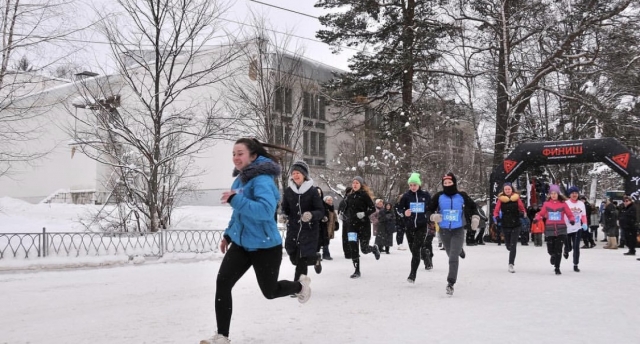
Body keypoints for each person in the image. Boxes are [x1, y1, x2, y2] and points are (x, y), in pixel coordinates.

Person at [202, 138, 310, 344]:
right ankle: (222, 336)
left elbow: (265, 211)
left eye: (240, 153)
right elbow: (239, 214)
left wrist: (236, 200)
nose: (235, 157)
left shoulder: (262, 180)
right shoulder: (240, 180)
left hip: (266, 246)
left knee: (270, 292)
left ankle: (299, 287)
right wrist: (228, 234)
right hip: (242, 245)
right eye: (233, 153)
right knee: (223, 282)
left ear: (253, 155)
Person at [427, 172, 481, 295]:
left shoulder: (461, 196)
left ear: (454, 183)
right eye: (445, 183)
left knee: (452, 257)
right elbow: (428, 209)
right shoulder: (439, 196)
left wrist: (475, 218)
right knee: (450, 252)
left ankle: (450, 283)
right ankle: (459, 250)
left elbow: (473, 207)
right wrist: (432, 216)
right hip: (444, 231)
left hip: (458, 230)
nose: (447, 185)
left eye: (449, 183)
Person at [282, 160, 325, 281]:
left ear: (304, 175)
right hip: (293, 230)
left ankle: (299, 286)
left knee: (302, 258)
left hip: (309, 230)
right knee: (293, 256)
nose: (295, 175)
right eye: (293, 173)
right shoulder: (288, 191)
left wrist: (311, 215)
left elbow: (321, 211)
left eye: (298, 173)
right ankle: (315, 258)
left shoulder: (312, 191)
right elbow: (285, 208)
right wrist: (284, 215)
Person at [342, 176, 381, 278]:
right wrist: (343, 214)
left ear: (361, 185)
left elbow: (373, 209)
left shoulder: (364, 195)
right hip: (351, 226)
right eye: (353, 183)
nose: (354, 185)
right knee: (353, 248)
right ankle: (357, 270)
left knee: (364, 249)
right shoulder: (349, 196)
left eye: (357, 183)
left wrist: (364, 213)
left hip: (363, 225)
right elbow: (345, 208)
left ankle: (373, 249)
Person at [398, 173, 433, 283]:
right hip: (409, 227)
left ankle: (412, 275)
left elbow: (431, 207)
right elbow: (398, 209)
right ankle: (425, 254)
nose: (413, 187)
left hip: (422, 226)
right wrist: (404, 212)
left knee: (416, 249)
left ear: (419, 185)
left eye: (415, 185)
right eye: (411, 185)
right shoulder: (406, 196)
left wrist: (428, 215)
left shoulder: (425, 195)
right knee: (413, 250)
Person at [533, 184, 575, 275]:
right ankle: (552, 255)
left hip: (561, 229)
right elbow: (541, 214)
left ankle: (557, 267)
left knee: (559, 249)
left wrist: (572, 220)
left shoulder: (563, 204)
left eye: (555, 193)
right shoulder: (546, 204)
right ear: (549, 194)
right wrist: (537, 219)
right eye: (552, 193)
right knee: (550, 249)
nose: (553, 195)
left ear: (558, 194)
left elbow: (569, 214)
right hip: (550, 229)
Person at [492, 182, 526, 273]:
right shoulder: (500, 200)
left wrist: (522, 213)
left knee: (513, 244)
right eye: (506, 189)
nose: (507, 191)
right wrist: (497, 218)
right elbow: (496, 211)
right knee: (508, 245)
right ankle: (509, 247)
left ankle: (511, 264)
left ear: (512, 190)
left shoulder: (517, 198)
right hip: (505, 224)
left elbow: (522, 209)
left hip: (516, 224)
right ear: (503, 190)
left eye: (509, 189)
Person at [563, 186, 588, 272]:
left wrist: (584, 223)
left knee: (576, 247)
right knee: (569, 247)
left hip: (577, 228)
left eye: (576, 193)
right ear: (570, 194)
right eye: (573, 193)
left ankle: (575, 264)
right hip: (567, 228)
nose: (574, 195)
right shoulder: (566, 203)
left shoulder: (581, 204)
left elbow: (583, 215)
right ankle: (566, 250)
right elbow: (562, 214)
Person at [321, 195, 339, 260]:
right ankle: (325, 254)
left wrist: (336, 224)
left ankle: (325, 254)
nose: (330, 201)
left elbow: (335, 217)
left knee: (327, 240)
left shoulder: (331, 208)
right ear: (325, 201)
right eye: (328, 200)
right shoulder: (324, 207)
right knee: (325, 241)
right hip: (325, 227)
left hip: (330, 227)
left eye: (331, 200)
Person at [338, 187, 353, 259]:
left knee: (353, 237)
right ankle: (347, 253)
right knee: (346, 237)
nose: (351, 193)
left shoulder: (356, 200)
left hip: (354, 222)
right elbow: (340, 211)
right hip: (347, 222)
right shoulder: (344, 201)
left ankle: (354, 251)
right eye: (350, 192)